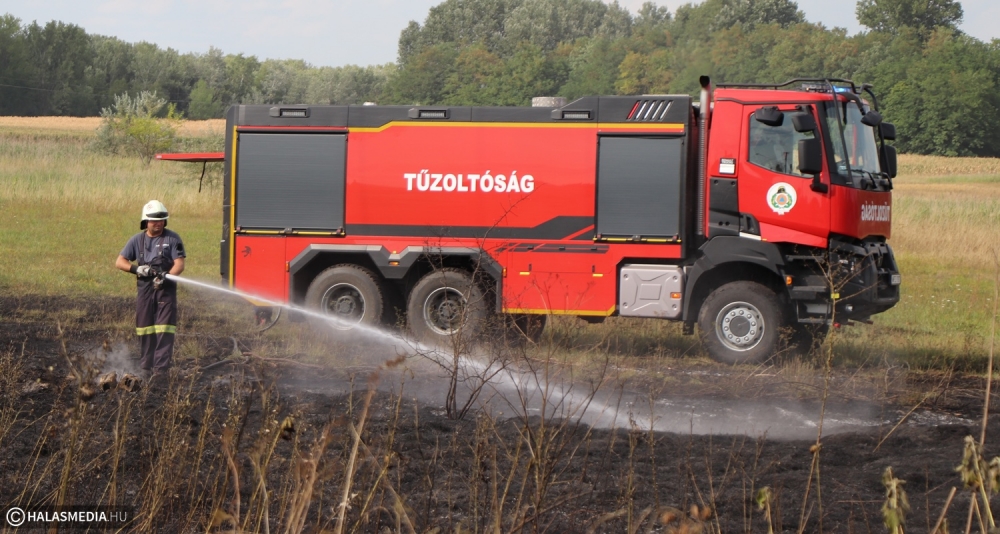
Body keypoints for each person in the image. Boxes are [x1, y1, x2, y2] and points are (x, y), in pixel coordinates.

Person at [115, 200, 186, 379]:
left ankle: (161, 371)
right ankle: (146, 368)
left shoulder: (173, 239)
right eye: (154, 220)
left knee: (164, 329)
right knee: (145, 328)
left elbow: (179, 264)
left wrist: (165, 277)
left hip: (165, 290)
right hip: (145, 290)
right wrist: (136, 269)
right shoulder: (136, 241)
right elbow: (120, 262)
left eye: (162, 219)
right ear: (146, 221)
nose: (158, 223)